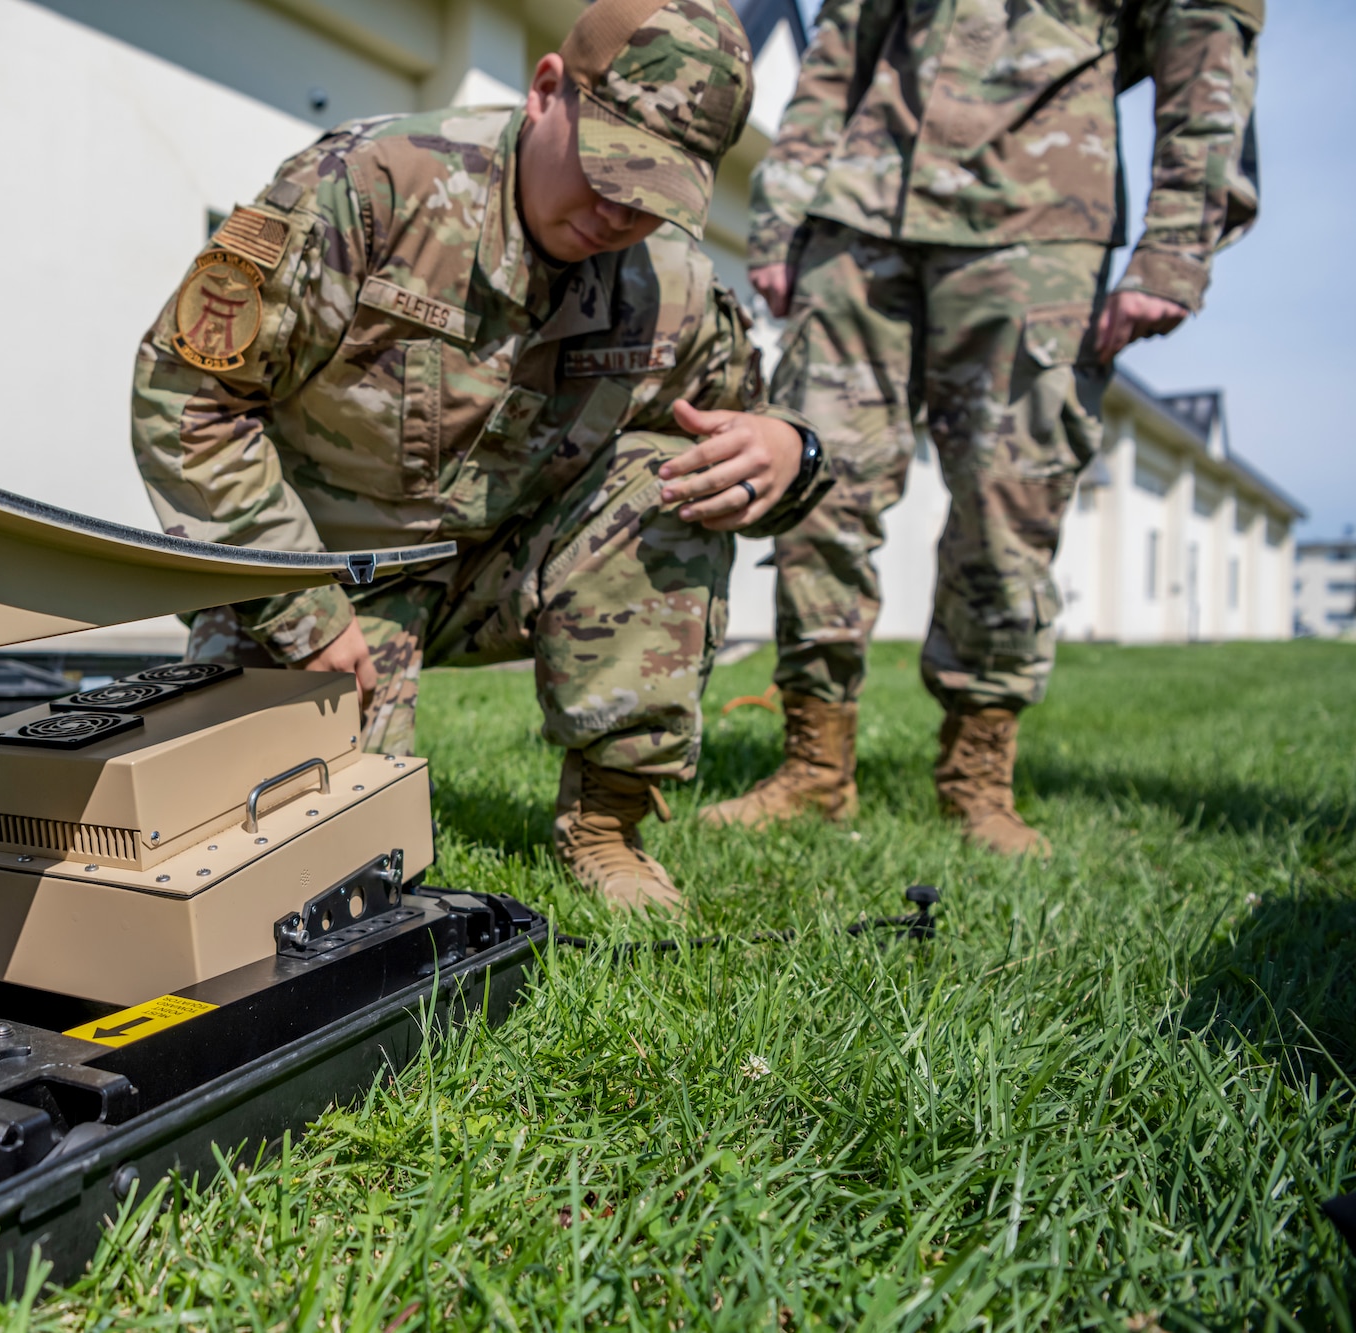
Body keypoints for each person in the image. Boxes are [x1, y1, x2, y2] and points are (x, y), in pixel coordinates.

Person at [131, 0, 831, 909]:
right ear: (546, 92)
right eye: (610, 165)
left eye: (655, 190)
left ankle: (607, 823)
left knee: (669, 478)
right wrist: (303, 614)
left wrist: (791, 451)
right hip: (325, 576)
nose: (621, 211)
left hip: (503, 570)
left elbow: (749, 438)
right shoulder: (367, 188)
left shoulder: (671, 287)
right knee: (304, 866)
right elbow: (185, 395)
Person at [706, 0, 1261, 854]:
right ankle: (815, 764)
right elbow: (840, 39)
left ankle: (978, 775)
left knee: (1012, 498)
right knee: (818, 478)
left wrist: (1177, 242)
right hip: (863, 202)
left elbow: (1205, 32)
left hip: (1040, 210)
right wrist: (780, 211)